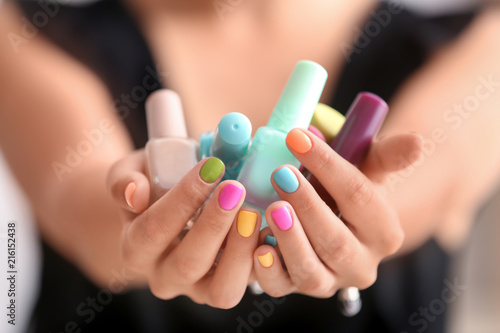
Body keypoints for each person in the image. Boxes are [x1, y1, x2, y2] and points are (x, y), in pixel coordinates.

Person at [0, 0, 499, 332]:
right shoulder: (31, 30)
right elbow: (75, 195)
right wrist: (137, 221)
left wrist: (366, 211)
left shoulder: (478, 43)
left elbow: (430, 177)